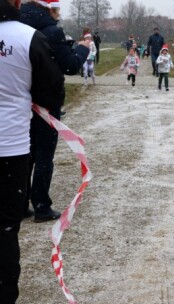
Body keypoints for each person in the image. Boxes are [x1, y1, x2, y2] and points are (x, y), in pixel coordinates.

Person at [1, 0, 64, 301]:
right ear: (15, 3)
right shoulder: (28, 37)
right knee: (5, 229)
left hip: (12, 145)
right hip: (10, 147)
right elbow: (51, 88)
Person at [20, 0, 90, 222]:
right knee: (44, 155)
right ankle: (41, 205)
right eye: (58, 11)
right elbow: (70, 65)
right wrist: (82, 48)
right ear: (50, 9)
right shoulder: (52, 32)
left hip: (21, 100)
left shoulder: (18, 26)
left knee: (24, 154)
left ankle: (21, 203)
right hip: (46, 100)